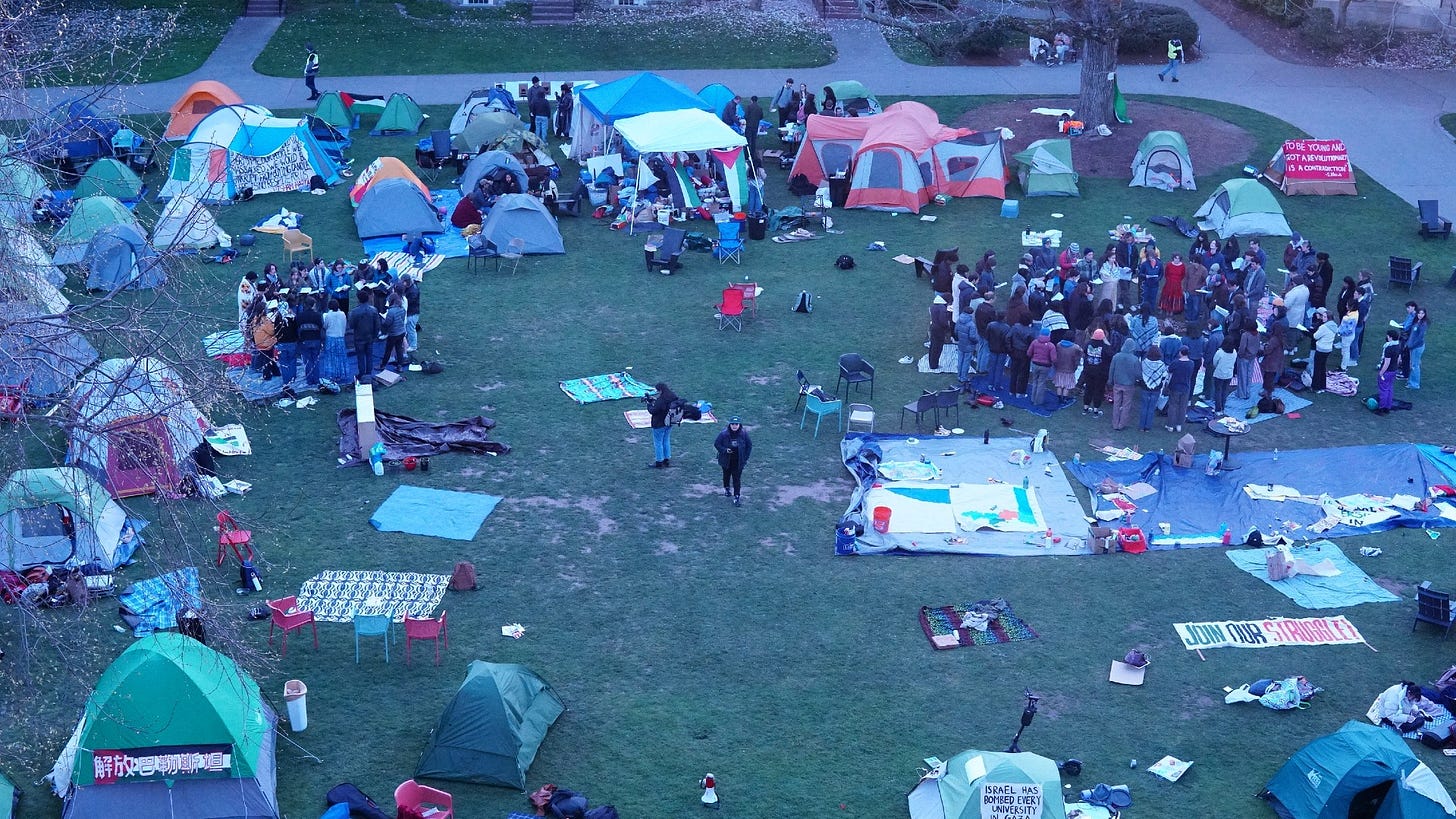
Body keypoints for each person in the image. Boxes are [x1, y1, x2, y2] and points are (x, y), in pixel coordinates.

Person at [1367, 681, 1437, 733]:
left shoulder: (1406, 693)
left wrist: (1414, 710)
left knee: (1418, 717)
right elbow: (1391, 715)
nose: (1413, 700)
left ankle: (1420, 715)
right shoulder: (1394, 696)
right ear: (1409, 693)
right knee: (1419, 722)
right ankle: (1404, 727)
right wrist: (1407, 718)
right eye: (1413, 698)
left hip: (1398, 712)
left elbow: (1410, 704)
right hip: (1387, 716)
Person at [714, 417, 752, 506]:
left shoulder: (744, 434)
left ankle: (737, 496)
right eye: (732, 424)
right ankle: (727, 489)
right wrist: (724, 450)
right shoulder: (724, 434)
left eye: (736, 424)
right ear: (730, 425)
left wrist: (745, 458)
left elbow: (749, 446)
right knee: (726, 475)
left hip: (738, 461)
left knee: (736, 479)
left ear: (739, 425)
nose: (734, 426)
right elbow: (717, 444)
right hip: (726, 460)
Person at [348, 290, 382, 381]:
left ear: (358, 300)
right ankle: (368, 373)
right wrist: (374, 336)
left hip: (359, 338)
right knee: (369, 356)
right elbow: (377, 325)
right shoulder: (373, 310)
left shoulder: (354, 312)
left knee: (360, 357)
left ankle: (362, 374)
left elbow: (351, 325)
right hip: (370, 337)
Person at [646, 382, 678, 468]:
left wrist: (648, 404)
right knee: (666, 440)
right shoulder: (673, 396)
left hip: (659, 424)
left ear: (660, 390)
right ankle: (667, 459)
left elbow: (653, 411)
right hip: (669, 422)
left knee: (658, 443)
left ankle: (659, 461)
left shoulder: (661, 400)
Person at [1110, 339, 1140, 431]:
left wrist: (1110, 380)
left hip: (1117, 383)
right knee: (1126, 404)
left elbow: (1112, 369)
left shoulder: (1116, 356)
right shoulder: (1135, 359)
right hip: (1129, 385)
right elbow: (1138, 374)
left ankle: (1115, 423)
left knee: (1116, 404)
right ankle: (1122, 424)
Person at [1138, 347, 1168, 432]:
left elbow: (1140, 374)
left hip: (1144, 387)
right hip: (1156, 388)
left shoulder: (1144, 363)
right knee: (1151, 408)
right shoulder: (1161, 364)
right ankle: (1147, 427)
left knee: (1144, 407)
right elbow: (1164, 375)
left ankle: (1141, 427)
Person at [296, 295, 323, 387]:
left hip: (304, 341)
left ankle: (309, 380)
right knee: (315, 360)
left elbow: (298, 328)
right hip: (316, 340)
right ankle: (316, 379)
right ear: (313, 305)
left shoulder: (300, 316)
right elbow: (321, 327)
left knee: (307, 361)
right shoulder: (317, 315)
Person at [1082, 328, 1111, 416]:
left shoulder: (1088, 344)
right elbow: (1111, 355)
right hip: (1101, 373)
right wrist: (1107, 343)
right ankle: (1095, 410)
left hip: (1088, 370)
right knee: (1099, 390)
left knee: (1088, 389)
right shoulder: (1105, 346)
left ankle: (1085, 408)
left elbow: (1084, 352)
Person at [1165, 346, 1194, 432]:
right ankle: (1179, 425)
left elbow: (1169, 370)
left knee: (1173, 406)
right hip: (1185, 387)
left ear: (1180, 352)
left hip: (1175, 387)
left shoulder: (1176, 363)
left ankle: (1170, 425)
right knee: (1183, 407)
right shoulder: (1191, 363)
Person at [321, 298, 349, 384]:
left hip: (331, 338)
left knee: (331, 358)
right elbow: (345, 324)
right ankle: (341, 374)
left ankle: (332, 375)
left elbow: (325, 326)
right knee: (340, 357)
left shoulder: (328, 315)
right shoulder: (343, 314)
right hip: (340, 337)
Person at [1028, 327, 1056, 406]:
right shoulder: (1051, 346)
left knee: (1035, 381)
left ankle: (1032, 399)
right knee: (1041, 383)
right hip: (1045, 366)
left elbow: (1029, 353)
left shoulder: (1034, 342)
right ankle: (1038, 401)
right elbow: (1053, 358)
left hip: (1035, 364)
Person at [1310, 308, 1336, 392]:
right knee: (1323, 367)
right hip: (1328, 349)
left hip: (1321, 349)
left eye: (1325, 317)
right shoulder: (1334, 326)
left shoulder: (1324, 327)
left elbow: (1315, 336)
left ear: (1328, 318)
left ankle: (1315, 387)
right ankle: (1322, 386)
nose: (1323, 318)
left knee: (1317, 368)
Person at [380, 292, 408, 372]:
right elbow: (402, 320)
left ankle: (383, 365)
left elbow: (388, 323)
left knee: (388, 350)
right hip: (401, 332)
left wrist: (383, 321)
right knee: (399, 349)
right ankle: (400, 366)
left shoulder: (391, 311)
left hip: (393, 333)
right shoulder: (402, 309)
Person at [955, 303, 979, 390]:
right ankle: (963, 377)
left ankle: (959, 376)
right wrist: (977, 341)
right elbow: (972, 336)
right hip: (969, 346)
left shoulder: (959, 320)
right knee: (966, 362)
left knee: (960, 360)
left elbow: (956, 331)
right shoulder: (971, 324)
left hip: (961, 344)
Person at [1376, 329, 1400, 414]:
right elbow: (1398, 360)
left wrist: (1381, 372)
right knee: (1389, 388)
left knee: (1383, 390)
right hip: (1394, 370)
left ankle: (1381, 408)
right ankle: (1387, 407)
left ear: (1390, 337)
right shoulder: (1398, 346)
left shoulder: (1389, 348)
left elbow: (1386, 363)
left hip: (1387, 372)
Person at [1211, 337, 1237, 413]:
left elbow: (1214, 362)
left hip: (1219, 374)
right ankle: (1223, 407)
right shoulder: (1234, 352)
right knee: (1225, 391)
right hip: (1229, 375)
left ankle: (1218, 409)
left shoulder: (1220, 352)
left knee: (1218, 391)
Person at [1236, 319, 1260, 400]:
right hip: (1252, 357)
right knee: (1249, 375)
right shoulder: (1258, 334)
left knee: (1242, 376)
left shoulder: (1245, 335)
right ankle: (1247, 392)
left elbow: (1242, 347)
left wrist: (1240, 355)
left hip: (1244, 357)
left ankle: (1242, 394)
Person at [1052, 336, 1082, 401]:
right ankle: (1065, 398)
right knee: (1067, 385)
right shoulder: (1075, 347)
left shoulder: (1059, 344)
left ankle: (1059, 397)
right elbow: (1081, 352)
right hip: (1070, 368)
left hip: (1059, 367)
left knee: (1059, 384)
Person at [398, 273, 421, 356]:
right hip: (410, 311)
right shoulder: (409, 287)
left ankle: (413, 345)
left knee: (411, 329)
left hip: (412, 312)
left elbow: (409, 302)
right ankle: (409, 343)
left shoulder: (413, 291)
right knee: (409, 328)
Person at [1260, 324, 1286, 394]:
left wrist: (1263, 347)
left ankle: (1267, 392)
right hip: (1277, 361)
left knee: (1267, 378)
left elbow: (1268, 350)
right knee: (1271, 377)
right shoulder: (1281, 338)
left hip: (1271, 362)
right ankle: (1269, 390)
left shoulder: (1274, 339)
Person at [1406, 306, 1428, 389]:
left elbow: (1420, 338)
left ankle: (1414, 384)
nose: (1420, 315)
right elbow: (1412, 334)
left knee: (1415, 365)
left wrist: (1411, 345)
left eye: (1422, 313)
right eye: (1419, 313)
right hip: (1412, 346)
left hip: (1417, 347)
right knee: (1413, 364)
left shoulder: (1423, 324)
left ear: (1425, 314)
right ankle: (1411, 381)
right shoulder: (1417, 321)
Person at [1137, 244, 1163, 312]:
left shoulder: (1159, 264)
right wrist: (1145, 276)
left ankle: (1151, 312)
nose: (1151, 259)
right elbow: (1140, 274)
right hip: (1146, 284)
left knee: (1153, 299)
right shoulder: (1144, 264)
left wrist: (1158, 279)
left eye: (1152, 257)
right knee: (1145, 298)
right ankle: (1143, 311)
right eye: (1149, 257)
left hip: (1155, 285)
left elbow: (1161, 273)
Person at [527, 77, 550, 143]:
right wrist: (531, 110)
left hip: (540, 108)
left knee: (539, 124)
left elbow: (545, 95)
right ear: (534, 82)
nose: (538, 83)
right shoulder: (530, 90)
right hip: (533, 108)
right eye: (537, 82)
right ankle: (534, 137)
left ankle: (540, 139)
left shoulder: (541, 88)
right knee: (533, 123)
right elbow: (529, 100)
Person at [743, 96, 764, 164]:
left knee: (747, 140)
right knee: (753, 141)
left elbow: (746, 116)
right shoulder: (759, 108)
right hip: (755, 126)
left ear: (751, 100)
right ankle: (752, 155)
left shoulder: (749, 107)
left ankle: (746, 155)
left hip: (749, 126)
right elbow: (761, 116)